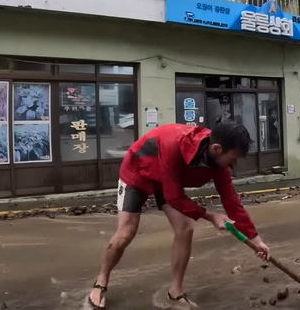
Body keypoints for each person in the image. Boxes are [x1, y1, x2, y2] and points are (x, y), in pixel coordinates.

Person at [88, 122, 270, 310]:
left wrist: (256, 239)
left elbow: (231, 200)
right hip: (138, 172)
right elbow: (174, 197)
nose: (234, 165)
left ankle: (175, 292)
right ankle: (101, 281)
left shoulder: (219, 161)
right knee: (126, 232)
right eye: (232, 159)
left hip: (167, 180)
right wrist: (210, 216)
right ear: (217, 148)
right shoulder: (174, 145)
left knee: (185, 228)